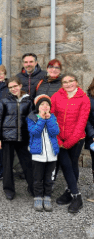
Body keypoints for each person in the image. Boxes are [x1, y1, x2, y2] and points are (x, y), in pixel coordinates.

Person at [50, 73, 88, 213]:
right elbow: (51, 117)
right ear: (62, 84)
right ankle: (77, 196)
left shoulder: (84, 99)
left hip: (76, 140)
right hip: (59, 138)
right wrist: (58, 139)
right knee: (66, 165)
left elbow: (81, 123)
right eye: (65, 82)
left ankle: (69, 191)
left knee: (72, 165)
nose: (68, 84)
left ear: (76, 82)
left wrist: (68, 142)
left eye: (71, 81)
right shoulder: (56, 96)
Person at [0, 79, 34, 200]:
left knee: (28, 164)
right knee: (7, 165)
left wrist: (33, 136)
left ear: (20, 85)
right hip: (8, 137)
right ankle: (9, 189)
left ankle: (33, 187)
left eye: (15, 86)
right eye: (10, 87)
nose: (13, 89)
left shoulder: (28, 100)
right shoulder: (5, 101)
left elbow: (32, 119)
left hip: (24, 137)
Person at [28, 95, 60, 212]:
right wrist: (41, 119)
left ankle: (47, 197)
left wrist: (49, 119)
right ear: (38, 107)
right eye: (42, 104)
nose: (45, 107)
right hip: (38, 155)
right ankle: (38, 197)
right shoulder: (32, 118)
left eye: (47, 104)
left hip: (51, 155)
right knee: (37, 178)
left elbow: (55, 131)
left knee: (49, 178)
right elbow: (35, 132)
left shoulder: (52, 118)